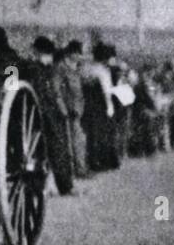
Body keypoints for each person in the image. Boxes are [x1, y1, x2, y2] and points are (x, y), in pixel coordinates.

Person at [28, 36, 75, 195]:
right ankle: (64, 185)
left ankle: (49, 185)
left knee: (49, 150)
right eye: (46, 54)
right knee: (58, 148)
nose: (49, 58)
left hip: (36, 113)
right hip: (45, 114)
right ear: (36, 53)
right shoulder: (34, 68)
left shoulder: (43, 68)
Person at [82, 43, 119, 171]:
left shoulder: (88, 68)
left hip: (90, 105)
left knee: (94, 135)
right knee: (101, 135)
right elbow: (106, 91)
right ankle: (101, 161)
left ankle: (95, 161)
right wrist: (109, 106)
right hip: (100, 106)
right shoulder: (103, 71)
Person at [58, 40, 89, 178]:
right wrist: (63, 108)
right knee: (72, 142)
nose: (78, 56)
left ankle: (79, 169)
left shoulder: (77, 68)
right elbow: (57, 90)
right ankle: (77, 170)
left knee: (78, 140)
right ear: (70, 53)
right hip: (68, 110)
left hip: (77, 109)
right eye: (76, 53)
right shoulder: (61, 67)